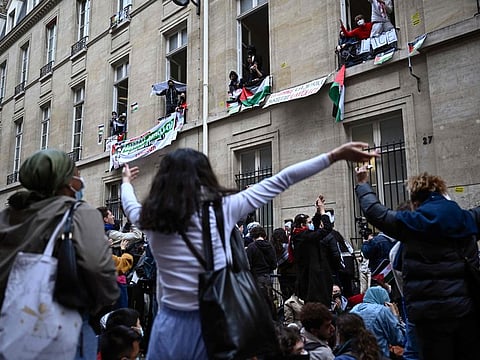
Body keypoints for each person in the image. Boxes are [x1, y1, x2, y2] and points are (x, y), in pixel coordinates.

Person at [120, 142, 378, 359]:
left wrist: (125, 181)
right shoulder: (223, 209)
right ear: (204, 175)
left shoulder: (149, 218)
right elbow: (282, 179)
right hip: (215, 325)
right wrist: (335, 155)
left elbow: (128, 201)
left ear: (164, 180)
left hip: (168, 326)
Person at [0, 149, 119, 359]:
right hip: (62, 326)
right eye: (77, 175)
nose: (81, 181)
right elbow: (97, 266)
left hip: (9, 324)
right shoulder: (80, 214)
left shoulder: (8, 215)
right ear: (67, 183)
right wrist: (104, 301)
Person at [355, 168, 480, 360]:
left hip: (427, 316)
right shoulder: (465, 218)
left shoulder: (411, 223)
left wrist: (363, 182)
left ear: (415, 202)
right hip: (463, 310)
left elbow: (374, 211)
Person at [291, 206, 341, 306]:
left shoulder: (299, 236)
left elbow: (315, 227)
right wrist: (323, 213)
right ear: (302, 225)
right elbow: (327, 228)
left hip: (309, 278)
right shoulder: (305, 237)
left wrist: (318, 212)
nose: (311, 224)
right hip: (314, 280)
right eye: (308, 223)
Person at [349, 286, 405, 358]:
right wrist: (395, 315)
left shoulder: (355, 309)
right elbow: (399, 338)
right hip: (377, 355)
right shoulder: (383, 310)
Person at [246, 225, 277, 317]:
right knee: (268, 300)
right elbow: (274, 264)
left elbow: (248, 264)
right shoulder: (270, 246)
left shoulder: (251, 247)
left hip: (255, 277)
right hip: (267, 277)